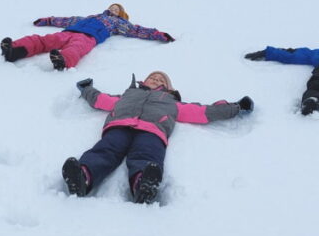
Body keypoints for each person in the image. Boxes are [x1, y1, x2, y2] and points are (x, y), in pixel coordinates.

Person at [63, 72, 253, 204]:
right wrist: (87, 89)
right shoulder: (128, 94)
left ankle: (143, 184)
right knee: (106, 149)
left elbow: (205, 111)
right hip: (120, 125)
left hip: (152, 130)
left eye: (160, 78)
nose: (155, 79)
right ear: (143, 81)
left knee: (146, 155)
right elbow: (101, 99)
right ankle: (83, 176)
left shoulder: (172, 102)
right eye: (152, 76)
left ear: (168, 88)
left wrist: (236, 107)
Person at [0, 3, 173, 71]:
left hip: (88, 37)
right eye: (112, 7)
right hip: (70, 31)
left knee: (76, 49)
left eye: (116, 9)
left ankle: (63, 61)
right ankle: (15, 50)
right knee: (44, 40)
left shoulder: (119, 24)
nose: (113, 10)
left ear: (121, 14)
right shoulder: (90, 17)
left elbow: (137, 30)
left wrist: (158, 35)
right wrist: (47, 20)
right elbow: (67, 20)